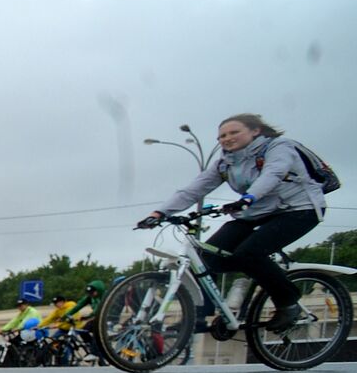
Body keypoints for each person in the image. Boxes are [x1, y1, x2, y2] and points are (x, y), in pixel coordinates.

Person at [139, 114, 325, 333]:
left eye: (234, 132)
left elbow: (273, 174)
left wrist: (248, 198)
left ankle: (288, 304)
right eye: (222, 136)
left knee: (249, 254)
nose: (226, 138)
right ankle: (200, 316)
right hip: (254, 212)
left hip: (297, 209)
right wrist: (159, 213)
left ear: (255, 131)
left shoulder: (278, 147)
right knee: (207, 257)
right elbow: (194, 190)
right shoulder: (225, 162)